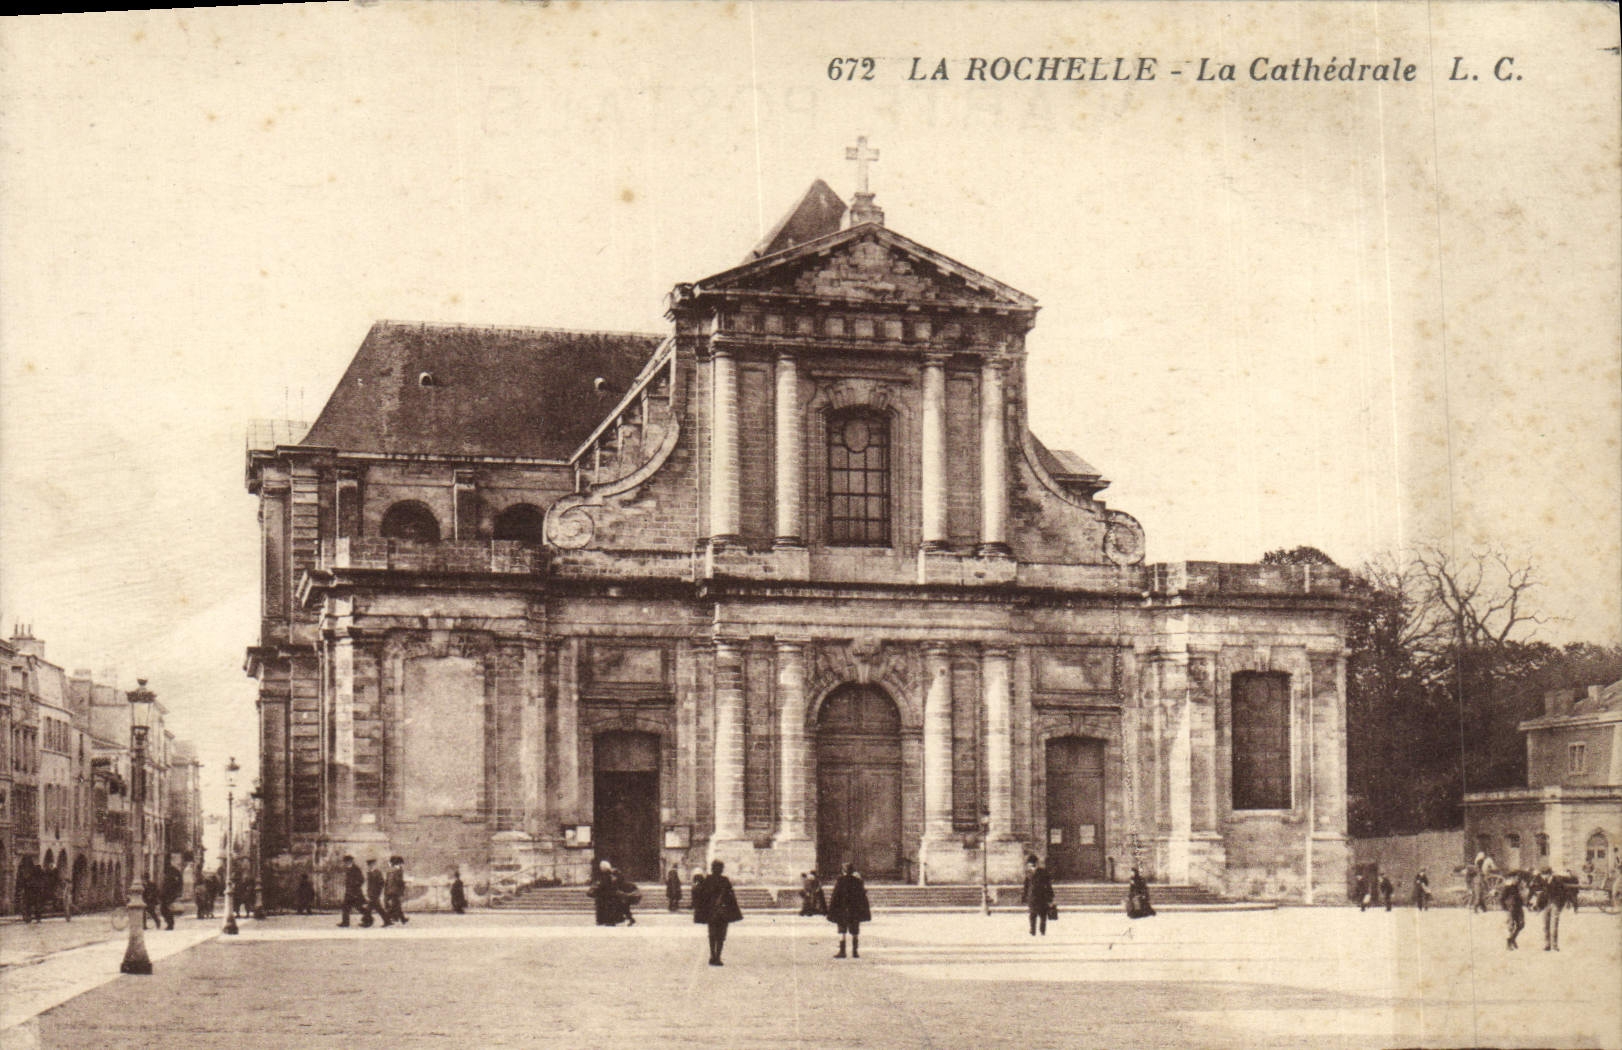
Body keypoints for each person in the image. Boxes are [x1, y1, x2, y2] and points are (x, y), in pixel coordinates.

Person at [693, 859, 743, 966]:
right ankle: (717, 957)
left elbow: (702, 895)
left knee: (713, 935)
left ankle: (713, 956)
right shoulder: (724, 880)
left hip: (712, 912)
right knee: (720, 936)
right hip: (722, 912)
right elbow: (730, 896)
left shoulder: (709, 880)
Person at [827, 862, 872, 959]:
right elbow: (862, 896)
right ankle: (855, 952)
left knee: (842, 931)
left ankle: (842, 951)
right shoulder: (858, 881)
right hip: (854, 910)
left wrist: (832, 909)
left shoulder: (840, 880)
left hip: (843, 909)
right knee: (855, 930)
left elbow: (835, 896)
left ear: (843, 871)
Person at [1022, 855, 1054, 936]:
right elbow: (1026, 886)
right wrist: (1024, 896)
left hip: (1042, 897)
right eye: (1030, 864)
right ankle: (1033, 930)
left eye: (1032, 864)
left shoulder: (1043, 872)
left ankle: (1042, 930)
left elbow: (1048, 885)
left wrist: (1050, 897)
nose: (1031, 866)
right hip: (1032, 897)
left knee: (1043, 915)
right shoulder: (1028, 873)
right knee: (1032, 915)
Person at [589, 859, 624, 927]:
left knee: (607, 910)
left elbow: (602, 885)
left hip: (606, 897)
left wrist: (596, 889)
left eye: (601, 867)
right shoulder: (613, 875)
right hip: (611, 897)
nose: (600, 868)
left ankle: (606, 921)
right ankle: (610, 921)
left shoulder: (605, 876)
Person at [338, 855, 368, 928]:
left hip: (355, 892)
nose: (345, 863)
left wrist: (355, 886)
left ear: (350, 861)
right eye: (345, 862)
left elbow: (361, 879)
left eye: (346, 862)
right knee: (345, 907)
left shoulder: (356, 869)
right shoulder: (348, 869)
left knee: (359, 907)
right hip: (349, 892)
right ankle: (345, 923)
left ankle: (368, 918)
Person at [1500, 872, 1526, 950]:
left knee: (1521, 924)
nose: (1518, 880)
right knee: (1510, 926)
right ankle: (1508, 943)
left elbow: (1521, 897)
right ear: (1512, 878)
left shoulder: (1518, 886)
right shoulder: (1508, 887)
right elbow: (1501, 898)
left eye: (1518, 878)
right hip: (1511, 908)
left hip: (1518, 907)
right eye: (1516, 878)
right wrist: (1505, 908)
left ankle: (1512, 939)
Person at [384, 856, 409, 926]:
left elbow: (387, 881)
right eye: (401, 863)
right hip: (395, 891)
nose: (402, 865)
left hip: (390, 890)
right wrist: (405, 882)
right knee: (394, 905)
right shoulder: (397, 871)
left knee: (397, 905)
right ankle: (386, 919)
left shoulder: (390, 870)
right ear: (399, 863)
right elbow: (398, 881)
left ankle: (403, 919)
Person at [365, 858, 389, 927]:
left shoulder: (377, 872)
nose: (370, 866)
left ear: (374, 864)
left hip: (375, 893)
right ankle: (387, 921)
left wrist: (378, 892)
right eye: (369, 865)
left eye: (372, 864)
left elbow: (382, 883)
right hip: (371, 893)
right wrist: (368, 892)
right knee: (377, 908)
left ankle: (368, 922)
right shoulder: (369, 872)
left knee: (371, 908)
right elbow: (369, 884)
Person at [162, 860, 183, 930]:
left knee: (166, 909)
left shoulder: (173, 873)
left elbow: (175, 884)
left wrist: (177, 893)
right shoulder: (174, 872)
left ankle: (170, 923)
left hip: (170, 894)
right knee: (166, 909)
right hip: (169, 894)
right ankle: (170, 923)